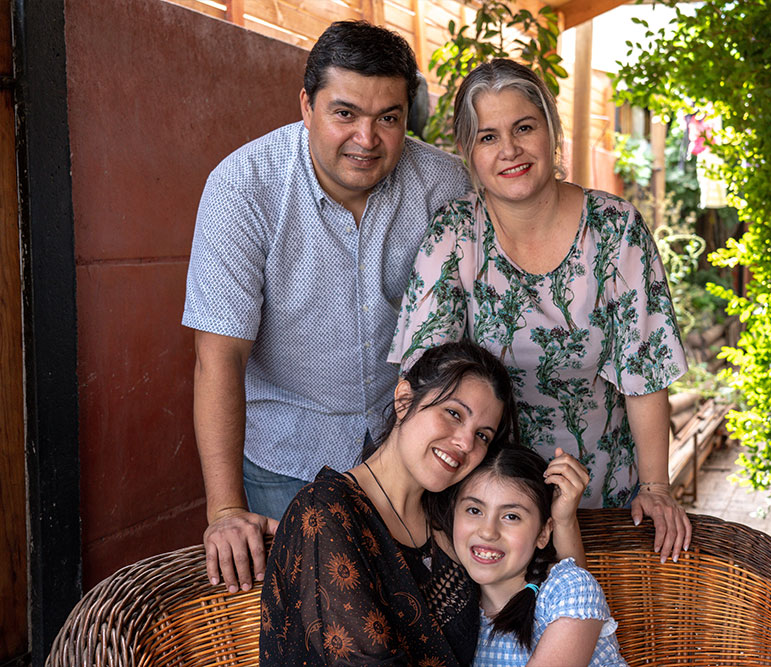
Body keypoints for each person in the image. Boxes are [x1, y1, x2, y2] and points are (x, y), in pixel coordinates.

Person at [182, 21, 470, 593]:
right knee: (304, 626)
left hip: (408, 451)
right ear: (306, 107)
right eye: (344, 113)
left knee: (413, 617)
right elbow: (219, 357)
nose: (367, 138)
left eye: (388, 117)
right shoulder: (242, 187)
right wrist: (224, 511)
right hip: (285, 458)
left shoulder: (442, 184)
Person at [389, 58, 692, 563]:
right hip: (487, 507)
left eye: (524, 127)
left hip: (601, 495)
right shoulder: (454, 234)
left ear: (551, 130)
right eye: (487, 137)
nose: (509, 150)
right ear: (467, 151)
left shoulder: (615, 229)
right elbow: (427, 379)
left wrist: (657, 487)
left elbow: (646, 370)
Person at [259, 340, 590, 665]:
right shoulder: (328, 511)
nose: (464, 442)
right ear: (404, 400)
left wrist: (562, 521)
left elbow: (561, 601)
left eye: (482, 435)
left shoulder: (455, 517)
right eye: (453, 413)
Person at [437, 447, 628, 666]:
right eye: (474, 510)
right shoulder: (454, 611)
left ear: (543, 533)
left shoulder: (565, 591)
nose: (488, 531)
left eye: (511, 516)